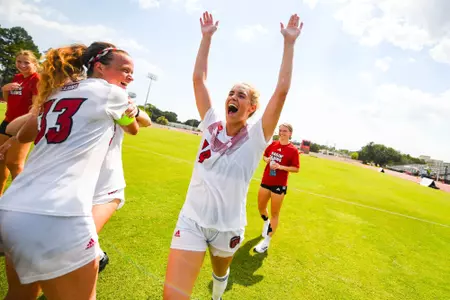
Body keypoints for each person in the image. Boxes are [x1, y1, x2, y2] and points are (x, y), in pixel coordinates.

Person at [163, 11, 303, 300]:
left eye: (241, 96)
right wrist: (206, 38)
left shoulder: (257, 137)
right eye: (231, 93)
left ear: (251, 108)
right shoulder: (211, 123)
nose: (233, 98)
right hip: (191, 220)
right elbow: (198, 80)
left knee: (220, 270)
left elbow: (282, 91)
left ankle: (217, 292)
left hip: (228, 226)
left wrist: (289, 44)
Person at [0, 42, 138, 300]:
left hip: (11, 209)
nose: (130, 76)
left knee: (19, 296)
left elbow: (22, 131)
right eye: (125, 69)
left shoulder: (54, 94)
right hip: (59, 215)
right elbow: (134, 128)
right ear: (98, 66)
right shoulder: (110, 94)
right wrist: (131, 112)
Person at [93, 97, 152, 273]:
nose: (129, 77)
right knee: (76, 232)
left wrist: (135, 111)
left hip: (106, 180)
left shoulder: (116, 97)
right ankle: (97, 255)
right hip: (81, 175)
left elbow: (138, 127)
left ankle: (95, 259)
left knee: (79, 237)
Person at [254, 123, 300, 254]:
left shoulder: (293, 150)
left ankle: (266, 242)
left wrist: (280, 167)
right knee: (261, 207)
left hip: (279, 185)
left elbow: (296, 168)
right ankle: (266, 222)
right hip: (266, 180)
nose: (282, 133)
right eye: (280, 130)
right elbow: (265, 156)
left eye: (285, 131)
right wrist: (267, 159)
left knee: (275, 213)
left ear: (290, 133)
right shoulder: (273, 144)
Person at [0, 50, 40, 195]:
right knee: (1, 160)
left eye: (26, 62)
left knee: (14, 163)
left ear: (34, 64)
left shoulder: (37, 79)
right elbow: (7, 100)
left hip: (22, 125)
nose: (22, 65)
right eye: (19, 61)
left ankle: (21, 199)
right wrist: (4, 89)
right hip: (7, 121)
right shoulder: (17, 78)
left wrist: (17, 133)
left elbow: (35, 109)